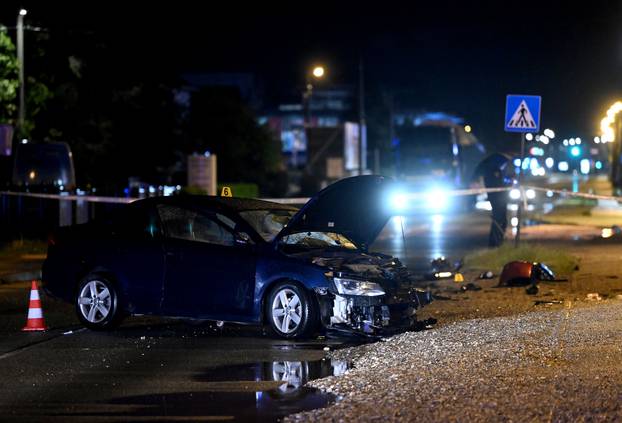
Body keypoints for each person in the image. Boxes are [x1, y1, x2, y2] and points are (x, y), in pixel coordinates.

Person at [472, 153, 513, 247]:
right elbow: (498, 183)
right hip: (497, 197)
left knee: (500, 219)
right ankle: (495, 242)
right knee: (499, 219)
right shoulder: (494, 169)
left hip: (498, 196)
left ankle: (497, 242)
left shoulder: (493, 166)